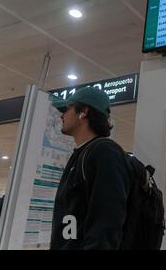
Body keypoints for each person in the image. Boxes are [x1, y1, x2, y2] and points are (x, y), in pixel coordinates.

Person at [50, 87, 133, 250]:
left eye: (67, 109)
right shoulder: (81, 154)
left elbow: (107, 222)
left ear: (83, 112)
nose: (62, 115)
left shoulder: (105, 153)